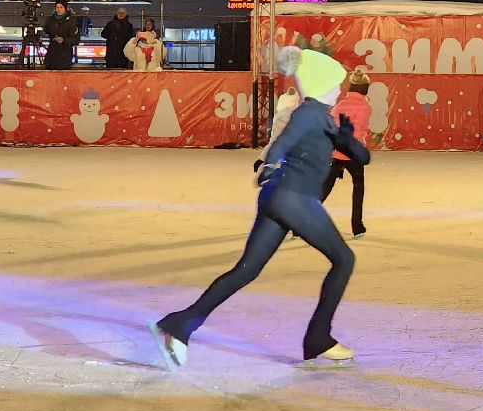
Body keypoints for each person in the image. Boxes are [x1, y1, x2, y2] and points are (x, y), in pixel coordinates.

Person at [151, 45, 369, 368]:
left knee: (246, 270)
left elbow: (363, 158)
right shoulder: (309, 114)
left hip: (279, 199)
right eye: (336, 83)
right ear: (322, 85)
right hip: (294, 197)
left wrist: (348, 140)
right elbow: (283, 140)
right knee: (344, 258)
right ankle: (318, 337)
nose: (340, 88)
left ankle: (180, 324)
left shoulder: (324, 120)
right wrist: (269, 164)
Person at [321, 67, 371, 238]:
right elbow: (358, 131)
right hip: (352, 151)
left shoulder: (340, 105)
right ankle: (357, 226)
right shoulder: (364, 107)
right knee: (358, 186)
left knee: (324, 188)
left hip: (336, 151)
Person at [43, 0, 79, 70]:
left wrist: (63, 40)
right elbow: (47, 30)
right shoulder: (51, 20)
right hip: (52, 53)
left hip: (64, 56)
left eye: (61, 7)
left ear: (65, 8)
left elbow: (76, 40)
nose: (58, 9)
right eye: (57, 7)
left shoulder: (71, 22)